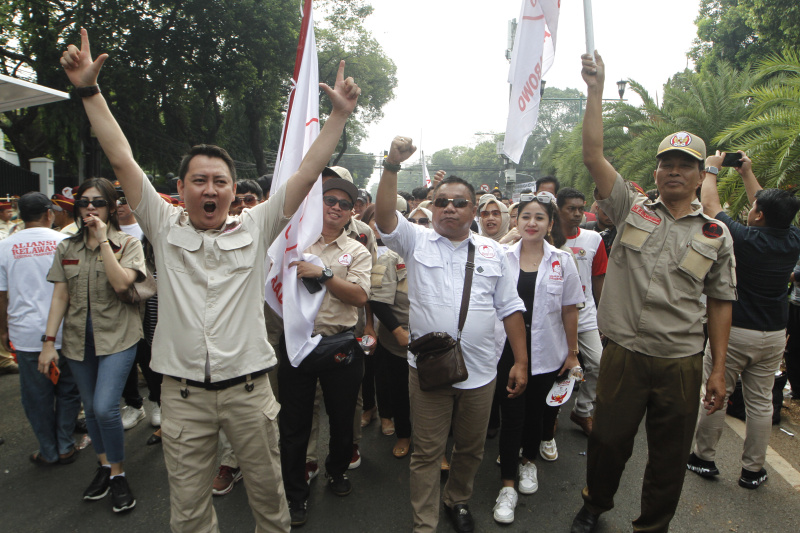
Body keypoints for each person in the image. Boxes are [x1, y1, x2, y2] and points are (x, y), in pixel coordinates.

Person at [60, 28, 360, 532]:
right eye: (199, 180)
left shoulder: (258, 224)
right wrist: (89, 91)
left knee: (270, 503)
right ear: (179, 189)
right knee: (191, 512)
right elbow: (121, 158)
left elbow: (308, 173)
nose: (211, 188)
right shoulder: (161, 222)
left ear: (230, 189)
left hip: (248, 394)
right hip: (182, 399)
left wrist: (338, 117)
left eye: (220, 180)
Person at [571, 52, 736, 533]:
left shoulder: (715, 235)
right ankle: (594, 504)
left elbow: (721, 302)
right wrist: (595, 90)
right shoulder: (630, 209)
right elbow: (593, 156)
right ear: (658, 169)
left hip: (681, 360)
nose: (674, 172)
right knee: (608, 441)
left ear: (701, 173)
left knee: (668, 456)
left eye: (685, 165)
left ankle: (653, 525)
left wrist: (719, 370)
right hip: (624, 352)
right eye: (667, 163)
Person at [375, 136, 529, 533]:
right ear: (433, 205)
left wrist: (522, 363)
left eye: (459, 202)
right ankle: (424, 523)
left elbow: (510, 309)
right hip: (427, 369)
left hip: (481, 372)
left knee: (470, 449)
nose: (449, 208)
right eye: (442, 201)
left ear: (473, 209)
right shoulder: (416, 240)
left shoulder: (494, 253)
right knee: (427, 452)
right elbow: (386, 217)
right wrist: (392, 165)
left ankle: (457, 501)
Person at [689, 151, 800, 489]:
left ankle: (703, 458)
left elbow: (710, 206)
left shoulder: (745, 238)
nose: (750, 210)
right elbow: (768, 207)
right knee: (761, 403)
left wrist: (711, 168)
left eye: (754, 209)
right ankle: (753, 470)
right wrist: (747, 173)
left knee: (716, 392)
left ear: (759, 217)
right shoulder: (793, 239)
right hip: (773, 334)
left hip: (736, 333)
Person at [41, 177, 146, 513]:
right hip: (77, 341)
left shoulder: (128, 244)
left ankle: (118, 475)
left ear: (111, 207)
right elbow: (60, 295)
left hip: (118, 337)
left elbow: (120, 283)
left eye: (97, 202)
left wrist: (102, 241)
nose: (89, 208)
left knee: (104, 408)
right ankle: (105, 466)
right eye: (84, 202)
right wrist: (47, 342)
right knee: (93, 410)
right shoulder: (66, 247)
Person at [278, 176, 371, 526]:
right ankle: (295, 493)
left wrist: (325, 273)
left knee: (342, 417)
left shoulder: (358, 250)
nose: (335, 207)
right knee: (294, 425)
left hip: (340, 346)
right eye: (328, 200)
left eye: (344, 204)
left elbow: (360, 297)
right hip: (297, 345)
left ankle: (336, 471)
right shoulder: (293, 241)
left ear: (352, 212)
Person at [492, 192, 583, 524]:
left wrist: (572, 354)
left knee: (535, 415)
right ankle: (508, 486)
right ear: (516, 221)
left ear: (550, 224)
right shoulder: (501, 256)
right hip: (507, 351)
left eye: (539, 217)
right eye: (525, 216)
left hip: (547, 351)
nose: (531, 223)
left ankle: (528, 462)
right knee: (511, 415)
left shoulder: (562, 260)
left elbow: (570, 308)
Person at [0, 192, 81, 465]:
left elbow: (1, 296)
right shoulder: (65, 242)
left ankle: (48, 449)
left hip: (26, 334)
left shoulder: (5, 246)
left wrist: (3, 330)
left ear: (20, 215)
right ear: (49, 214)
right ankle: (65, 444)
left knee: (36, 396)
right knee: (69, 390)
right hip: (65, 330)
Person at [557, 188, 607, 438]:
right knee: (555, 369)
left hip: (586, 316)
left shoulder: (593, 239)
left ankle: (583, 410)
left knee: (599, 364)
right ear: (558, 209)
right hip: (555, 318)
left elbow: (598, 278)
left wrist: (603, 316)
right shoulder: (548, 239)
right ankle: (550, 416)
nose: (577, 214)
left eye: (580, 208)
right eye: (570, 209)